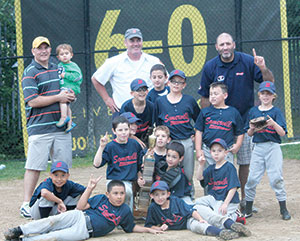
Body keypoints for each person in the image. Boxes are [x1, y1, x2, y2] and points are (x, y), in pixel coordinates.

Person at [198, 32, 274, 208]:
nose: (225, 47)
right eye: (221, 45)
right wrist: (209, 119)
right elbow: (204, 97)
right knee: (218, 162)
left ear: (233, 45)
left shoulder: (247, 61)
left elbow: (269, 83)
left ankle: (244, 200)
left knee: (244, 162)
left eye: (228, 44)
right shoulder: (210, 67)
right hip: (220, 126)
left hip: (245, 122)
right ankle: (215, 199)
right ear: (217, 47)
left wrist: (262, 66)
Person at [4, 177, 163, 241]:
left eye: (122, 193)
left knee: (56, 236)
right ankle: (19, 230)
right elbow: (80, 207)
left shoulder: (125, 211)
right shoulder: (100, 198)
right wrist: (90, 188)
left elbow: (131, 227)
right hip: (78, 217)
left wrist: (149, 230)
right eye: (115, 193)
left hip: (85, 231)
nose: (119, 196)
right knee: (52, 221)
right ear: (108, 194)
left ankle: (24, 240)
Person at [20, 36, 75, 218]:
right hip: (39, 128)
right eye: (39, 48)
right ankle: (27, 204)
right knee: (35, 166)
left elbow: (65, 90)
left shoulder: (57, 68)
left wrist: (69, 95)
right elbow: (33, 101)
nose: (43, 51)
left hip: (61, 128)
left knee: (62, 167)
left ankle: (62, 200)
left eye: (46, 47)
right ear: (33, 51)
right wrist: (59, 98)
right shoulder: (30, 72)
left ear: (50, 50)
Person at [244, 81, 291, 220]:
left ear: (273, 96)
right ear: (259, 95)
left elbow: (282, 133)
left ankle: (283, 209)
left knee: (276, 178)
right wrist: (252, 128)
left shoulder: (276, 112)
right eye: (263, 93)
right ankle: (248, 209)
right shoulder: (253, 111)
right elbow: (249, 134)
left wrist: (273, 123)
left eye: (268, 94)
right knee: (252, 178)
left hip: (273, 147)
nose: (265, 96)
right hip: (257, 147)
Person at [144, 180, 251, 240]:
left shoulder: (175, 201)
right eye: (156, 195)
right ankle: (222, 233)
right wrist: (159, 227)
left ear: (168, 194)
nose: (160, 197)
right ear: (151, 196)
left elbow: (191, 211)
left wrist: (200, 219)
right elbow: (149, 225)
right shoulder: (153, 208)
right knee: (198, 227)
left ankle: (232, 225)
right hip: (186, 222)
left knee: (211, 217)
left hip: (193, 212)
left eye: (163, 194)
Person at [91, 28, 162, 113]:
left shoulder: (154, 61)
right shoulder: (114, 62)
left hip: (149, 112)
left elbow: (167, 80)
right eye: (132, 41)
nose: (135, 44)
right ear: (125, 43)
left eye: (138, 40)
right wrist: (107, 99)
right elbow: (96, 79)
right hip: (123, 112)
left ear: (142, 42)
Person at [153, 69, 200, 193]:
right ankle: (170, 197)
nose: (176, 84)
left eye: (180, 82)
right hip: (170, 142)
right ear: (168, 83)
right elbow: (157, 124)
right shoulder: (160, 102)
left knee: (188, 173)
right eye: (173, 81)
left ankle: (189, 195)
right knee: (169, 172)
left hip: (186, 141)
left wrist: (195, 134)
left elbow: (199, 120)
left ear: (184, 85)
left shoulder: (189, 100)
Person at [93, 116, 145, 211]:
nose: (124, 132)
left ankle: (129, 215)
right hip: (114, 181)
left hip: (130, 181)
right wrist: (101, 147)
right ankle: (123, 217)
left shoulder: (134, 144)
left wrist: (140, 177)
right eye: (120, 130)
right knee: (127, 191)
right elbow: (96, 164)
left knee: (131, 190)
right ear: (114, 131)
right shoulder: (110, 146)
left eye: (126, 129)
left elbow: (139, 165)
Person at [195, 82, 244, 165]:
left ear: (225, 95)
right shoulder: (205, 112)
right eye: (211, 94)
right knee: (208, 175)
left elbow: (240, 132)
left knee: (225, 176)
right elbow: (199, 131)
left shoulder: (233, 112)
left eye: (216, 94)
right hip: (208, 151)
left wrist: (238, 145)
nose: (213, 96)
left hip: (226, 151)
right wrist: (198, 150)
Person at [195, 138, 243, 223]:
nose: (216, 153)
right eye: (213, 151)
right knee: (195, 204)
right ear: (210, 153)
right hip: (214, 198)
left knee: (218, 217)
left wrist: (225, 204)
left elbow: (233, 188)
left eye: (220, 150)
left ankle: (235, 215)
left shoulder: (229, 167)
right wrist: (201, 165)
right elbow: (199, 177)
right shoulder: (211, 168)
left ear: (225, 153)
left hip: (227, 200)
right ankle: (213, 213)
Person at [55, 43, 83, 133]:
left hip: (70, 87)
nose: (64, 56)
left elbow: (78, 76)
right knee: (67, 105)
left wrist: (65, 75)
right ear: (58, 57)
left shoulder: (73, 65)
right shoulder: (59, 65)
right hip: (63, 87)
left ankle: (64, 117)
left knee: (62, 100)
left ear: (71, 55)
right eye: (62, 54)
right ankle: (70, 123)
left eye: (66, 53)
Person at [120, 78, 154, 145]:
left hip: (146, 138)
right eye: (138, 90)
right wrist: (135, 139)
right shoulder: (126, 107)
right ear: (132, 93)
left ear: (147, 91)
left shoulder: (151, 106)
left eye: (144, 89)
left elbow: (154, 126)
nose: (142, 92)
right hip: (129, 138)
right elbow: (122, 128)